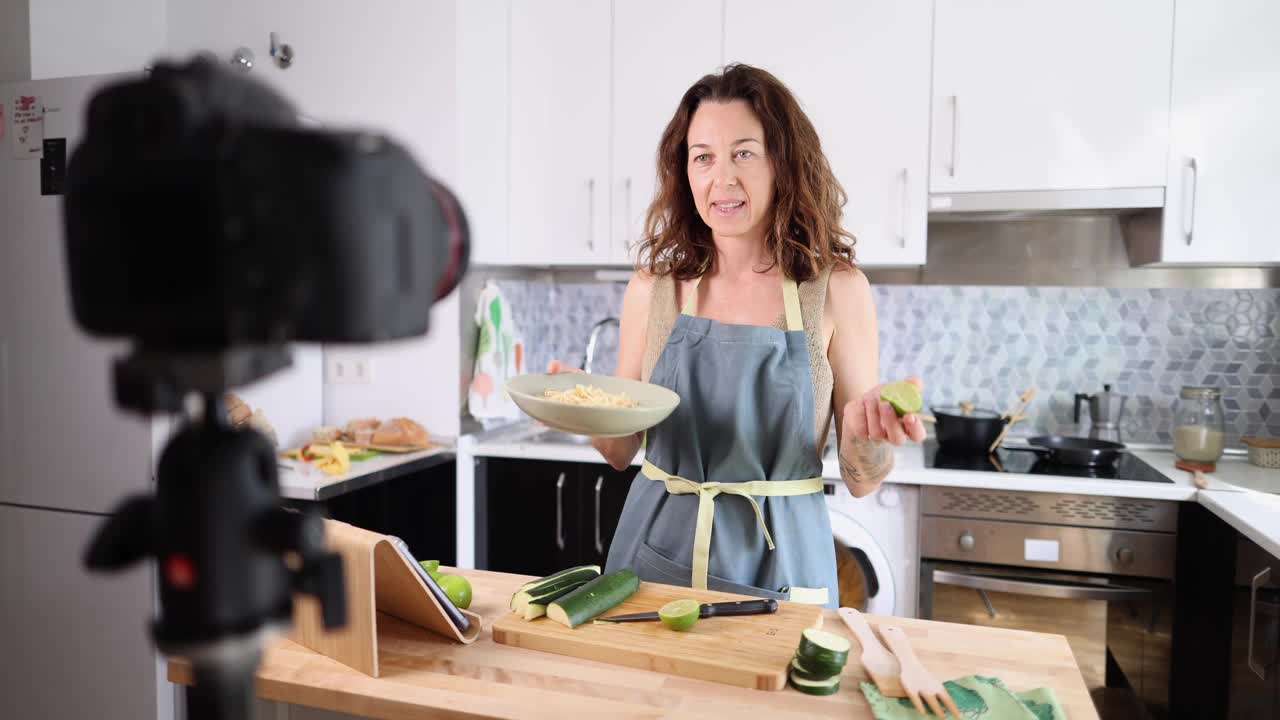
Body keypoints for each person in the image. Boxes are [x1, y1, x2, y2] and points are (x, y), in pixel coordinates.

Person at [547, 64, 925, 608]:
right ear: (685, 172)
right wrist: (583, 407)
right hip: (656, 557)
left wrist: (874, 435)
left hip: (783, 570)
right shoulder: (655, 288)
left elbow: (862, 478)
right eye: (703, 157)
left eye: (743, 153)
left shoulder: (836, 290)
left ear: (783, 163)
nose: (721, 179)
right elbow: (620, 450)